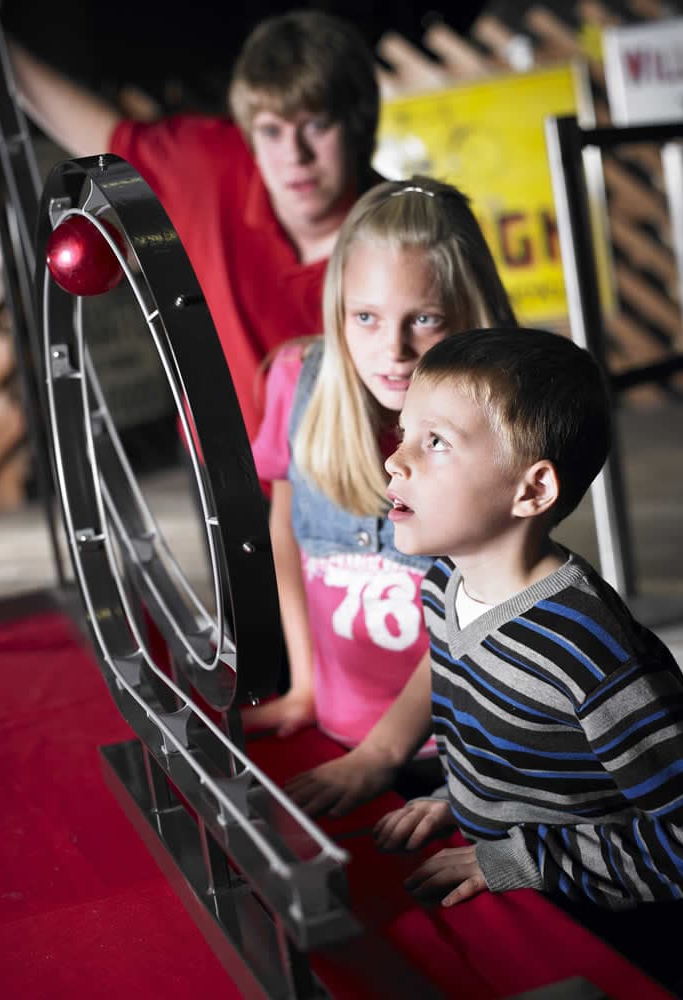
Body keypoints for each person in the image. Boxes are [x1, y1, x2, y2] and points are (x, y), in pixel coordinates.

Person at [327, 326, 683, 998]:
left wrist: (522, 858)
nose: (395, 461)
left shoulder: (590, 654)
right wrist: (464, 800)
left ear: (531, 491)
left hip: (615, 942)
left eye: (435, 442)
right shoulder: (442, 585)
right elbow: (527, 752)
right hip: (505, 878)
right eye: (402, 434)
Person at [243, 178, 516, 777]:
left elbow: (489, 598)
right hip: (338, 735)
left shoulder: (503, 419)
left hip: (468, 754)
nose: (393, 349)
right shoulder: (296, 380)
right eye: (365, 317)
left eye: (424, 318)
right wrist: (305, 686)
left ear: (471, 313)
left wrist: (383, 752)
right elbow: (286, 535)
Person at [9, 9, 381, 438]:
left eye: (316, 125)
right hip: (220, 470)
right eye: (272, 131)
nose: (295, 155)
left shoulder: (405, 233)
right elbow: (101, 137)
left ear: (356, 123)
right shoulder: (209, 165)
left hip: (360, 478)